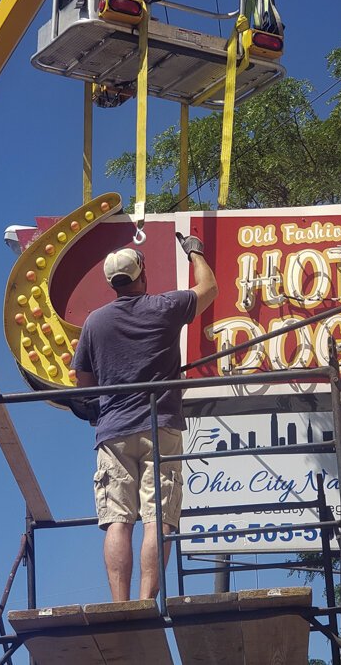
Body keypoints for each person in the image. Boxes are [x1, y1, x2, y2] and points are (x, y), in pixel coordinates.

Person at [73, 233, 218, 601]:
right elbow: (209, 288)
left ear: (111, 283)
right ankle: (144, 602)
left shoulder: (94, 323)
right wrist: (195, 251)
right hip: (160, 424)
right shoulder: (164, 307)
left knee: (117, 520)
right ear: (142, 276)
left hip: (114, 430)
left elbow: (84, 383)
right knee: (159, 518)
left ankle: (120, 606)